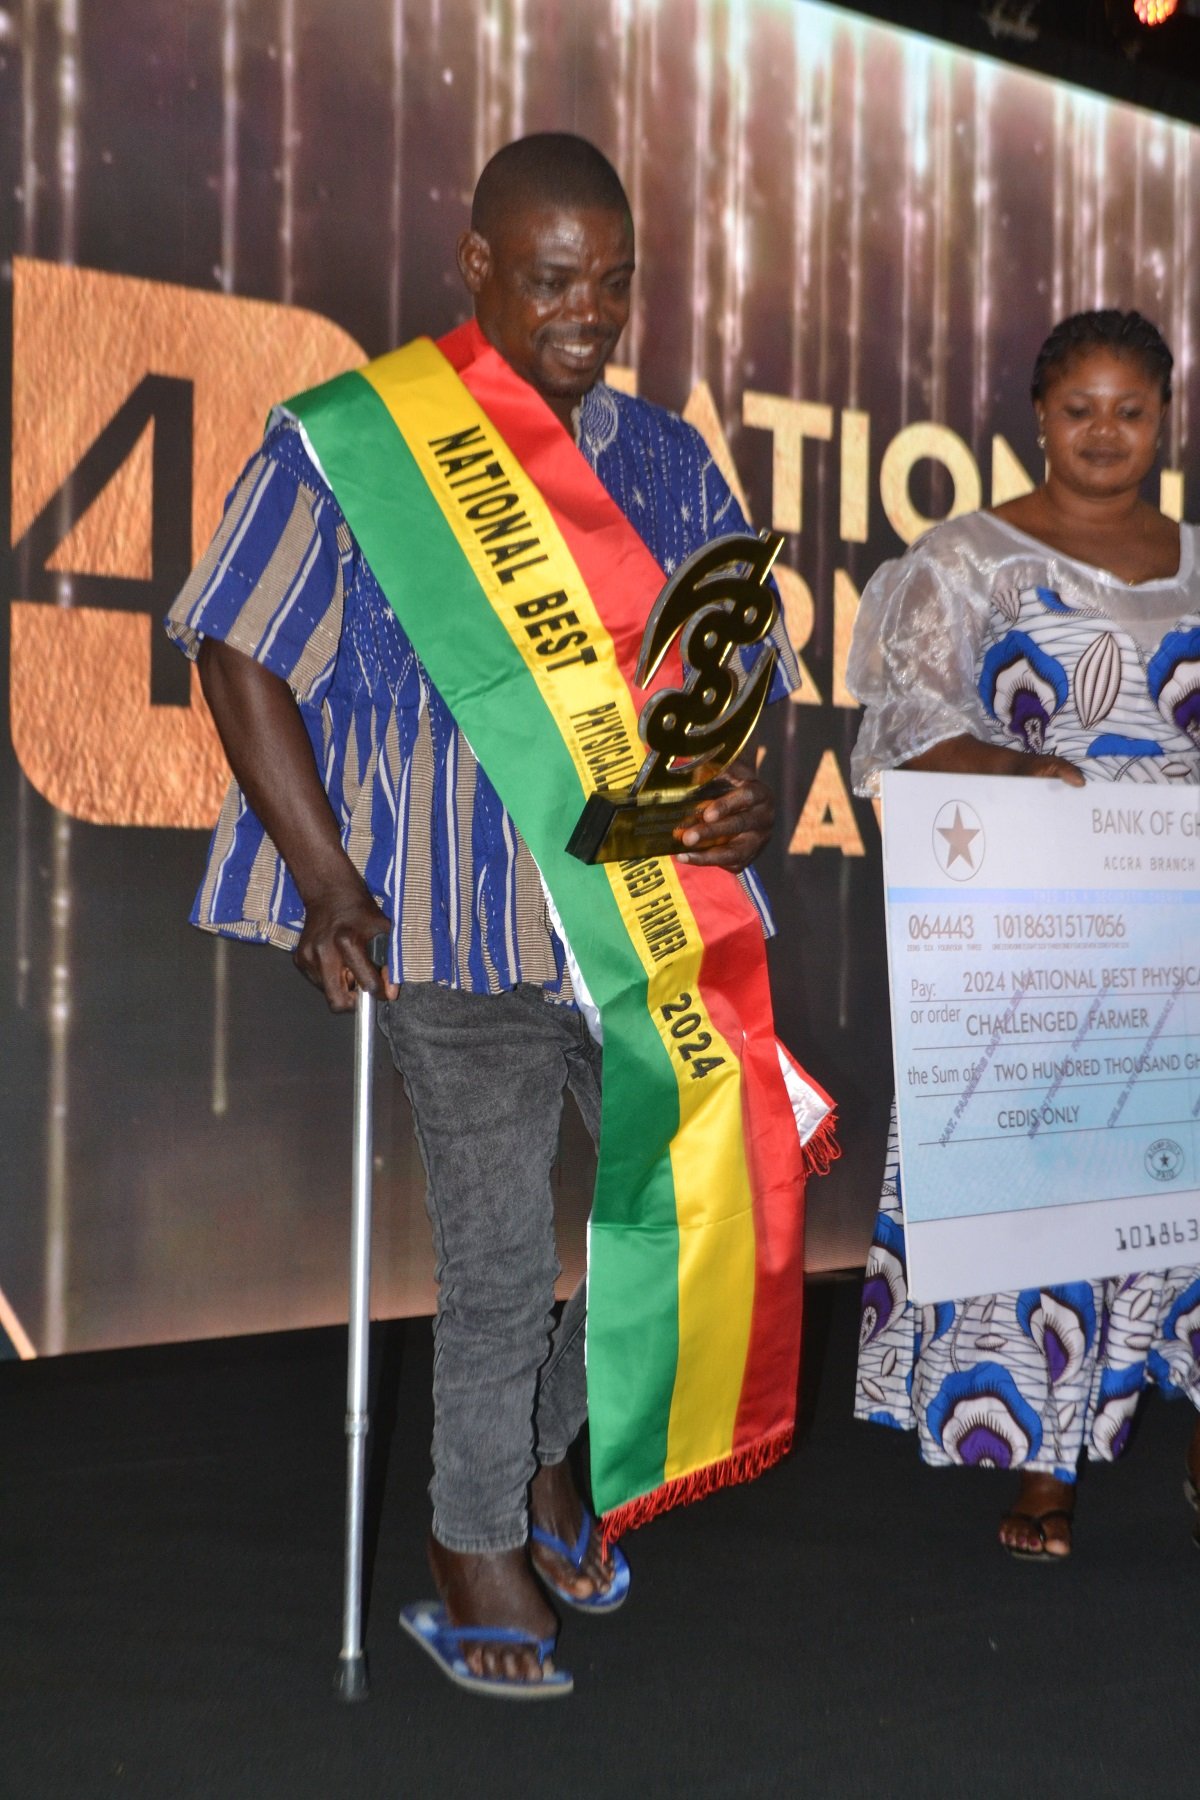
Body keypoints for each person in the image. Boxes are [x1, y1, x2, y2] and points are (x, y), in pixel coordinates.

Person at [166, 134, 802, 1693]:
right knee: (507, 1258)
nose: (590, 311)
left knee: (720, 1212)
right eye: (552, 279)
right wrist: (324, 879)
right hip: (454, 926)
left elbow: (733, 690)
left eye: (615, 280)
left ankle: (547, 1467)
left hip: (646, 924)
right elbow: (235, 646)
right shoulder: (355, 442)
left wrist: (730, 790)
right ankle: (471, 1537)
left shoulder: (665, 458)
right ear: (475, 267)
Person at [848, 309, 1200, 1560]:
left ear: (1168, 418)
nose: (1105, 434)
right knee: (1058, 1192)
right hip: (1037, 920)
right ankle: (1044, 1467)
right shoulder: (969, 555)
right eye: (1078, 410)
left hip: (1182, 917)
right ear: (1036, 418)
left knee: (1185, 1184)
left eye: (1133, 411)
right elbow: (898, 720)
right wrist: (1007, 762)